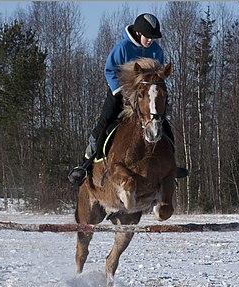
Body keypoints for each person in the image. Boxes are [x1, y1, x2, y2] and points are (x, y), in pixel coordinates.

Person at [68, 13, 187, 186]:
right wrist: (121, 91)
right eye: (149, 37)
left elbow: (158, 77)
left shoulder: (157, 51)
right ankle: (86, 164)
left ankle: (171, 166)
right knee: (105, 122)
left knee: (164, 125)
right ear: (139, 33)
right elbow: (109, 70)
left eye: (154, 37)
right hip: (120, 95)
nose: (151, 41)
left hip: (145, 99)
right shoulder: (123, 47)